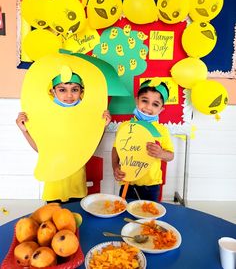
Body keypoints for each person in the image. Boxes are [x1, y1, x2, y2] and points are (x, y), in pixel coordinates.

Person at [16, 72, 111, 203]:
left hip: (77, 185)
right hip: (54, 184)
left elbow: (90, 147)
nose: (69, 95)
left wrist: (103, 127)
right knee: (54, 222)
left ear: (81, 92)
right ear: (53, 91)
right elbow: (40, 149)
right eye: (62, 90)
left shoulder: (84, 117)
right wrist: (24, 131)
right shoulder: (46, 117)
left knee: (76, 220)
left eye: (75, 89)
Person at [112, 78, 174, 202]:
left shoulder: (162, 131)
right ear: (137, 100)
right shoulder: (125, 127)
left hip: (151, 185)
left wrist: (160, 153)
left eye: (155, 104)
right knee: (124, 212)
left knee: (148, 215)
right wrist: (115, 166)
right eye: (144, 101)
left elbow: (170, 156)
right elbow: (116, 149)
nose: (148, 107)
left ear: (161, 109)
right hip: (127, 182)